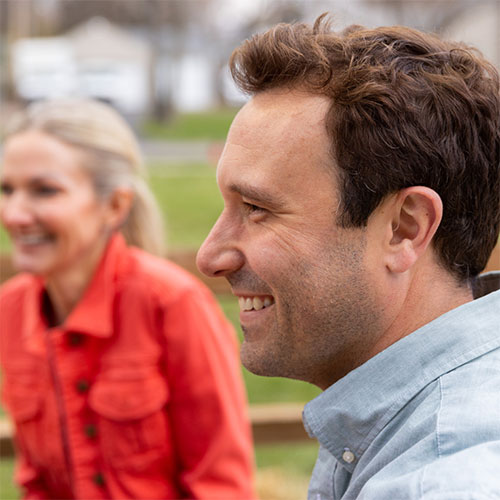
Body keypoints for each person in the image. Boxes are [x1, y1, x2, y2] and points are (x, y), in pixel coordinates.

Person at [196, 14, 500, 499]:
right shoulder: (391, 422)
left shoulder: (440, 480)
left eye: (258, 209)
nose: (210, 257)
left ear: (405, 228)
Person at [0, 98, 255, 500]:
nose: (14, 213)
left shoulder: (173, 304)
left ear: (114, 205)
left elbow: (220, 484)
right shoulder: (9, 312)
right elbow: (37, 481)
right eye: (7, 189)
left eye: (44, 191)